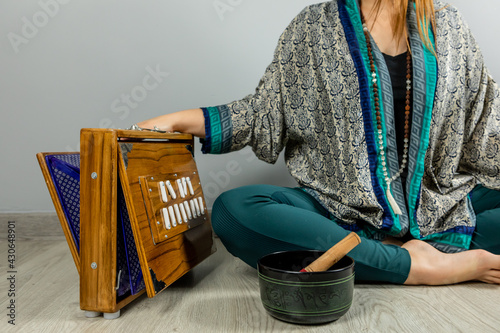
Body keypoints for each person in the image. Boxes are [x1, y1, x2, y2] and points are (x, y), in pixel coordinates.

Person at [136, 0, 500, 285]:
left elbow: (487, 123)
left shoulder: (451, 27)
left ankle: (376, 259)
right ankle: (419, 266)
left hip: (440, 211)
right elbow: (264, 111)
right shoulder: (312, 28)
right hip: (339, 214)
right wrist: (178, 120)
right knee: (233, 211)